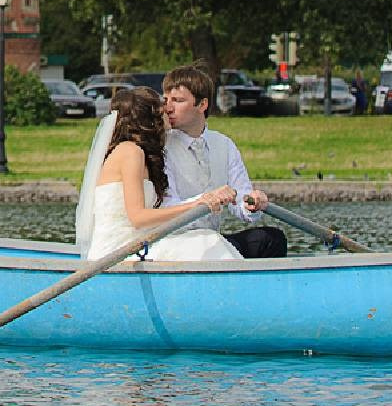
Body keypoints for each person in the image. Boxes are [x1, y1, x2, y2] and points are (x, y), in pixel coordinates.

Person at [83, 88, 241, 262]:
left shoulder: (138, 152)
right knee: (205, 240)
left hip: (141, 244)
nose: (168, 113)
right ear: (150, 118)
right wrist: (197, 204)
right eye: (163, 111)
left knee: (207, 238)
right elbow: (138, 218)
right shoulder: (130, 152)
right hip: (118, 252)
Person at [160, 66, 287, 258]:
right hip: (176, 242)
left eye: (178, 100)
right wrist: (209, 198)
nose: (168, 107)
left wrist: (251, 203)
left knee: (272, 238)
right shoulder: (162, 147)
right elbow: (168, 208)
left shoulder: (224, 144)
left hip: (212, 240)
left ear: (202, 105)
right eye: (166, 100)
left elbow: (241, 199)